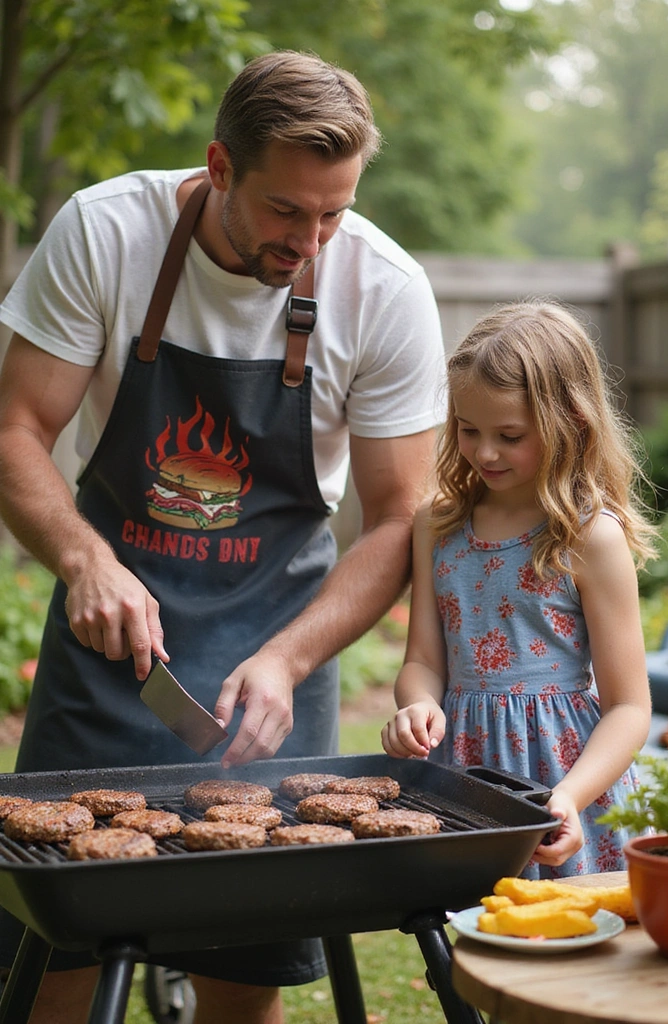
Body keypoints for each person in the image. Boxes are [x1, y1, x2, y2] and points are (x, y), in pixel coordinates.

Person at [0, 51, 444, 1024]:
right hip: (109, 639)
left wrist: (286, 661)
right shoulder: (105, 232)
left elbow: (399, 517)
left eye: (334, 212)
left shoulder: (385, 289)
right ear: (218, 166)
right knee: (53, 967)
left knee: (246, 973)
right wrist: (83, 560)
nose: (312, 242)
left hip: (280, 647)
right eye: (288, 211)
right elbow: (16, 432)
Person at [381, 300, 657, 878]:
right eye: (467, 429)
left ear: (571, 424)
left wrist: (570, 797)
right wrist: (419, 705)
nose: (484, 452)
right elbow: (424, 661)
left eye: (509, 435)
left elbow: (630, 707)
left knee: (570, 950)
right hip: (465, 782)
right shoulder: (439, 524)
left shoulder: (588, 536)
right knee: (470, 944)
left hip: (564, 784)